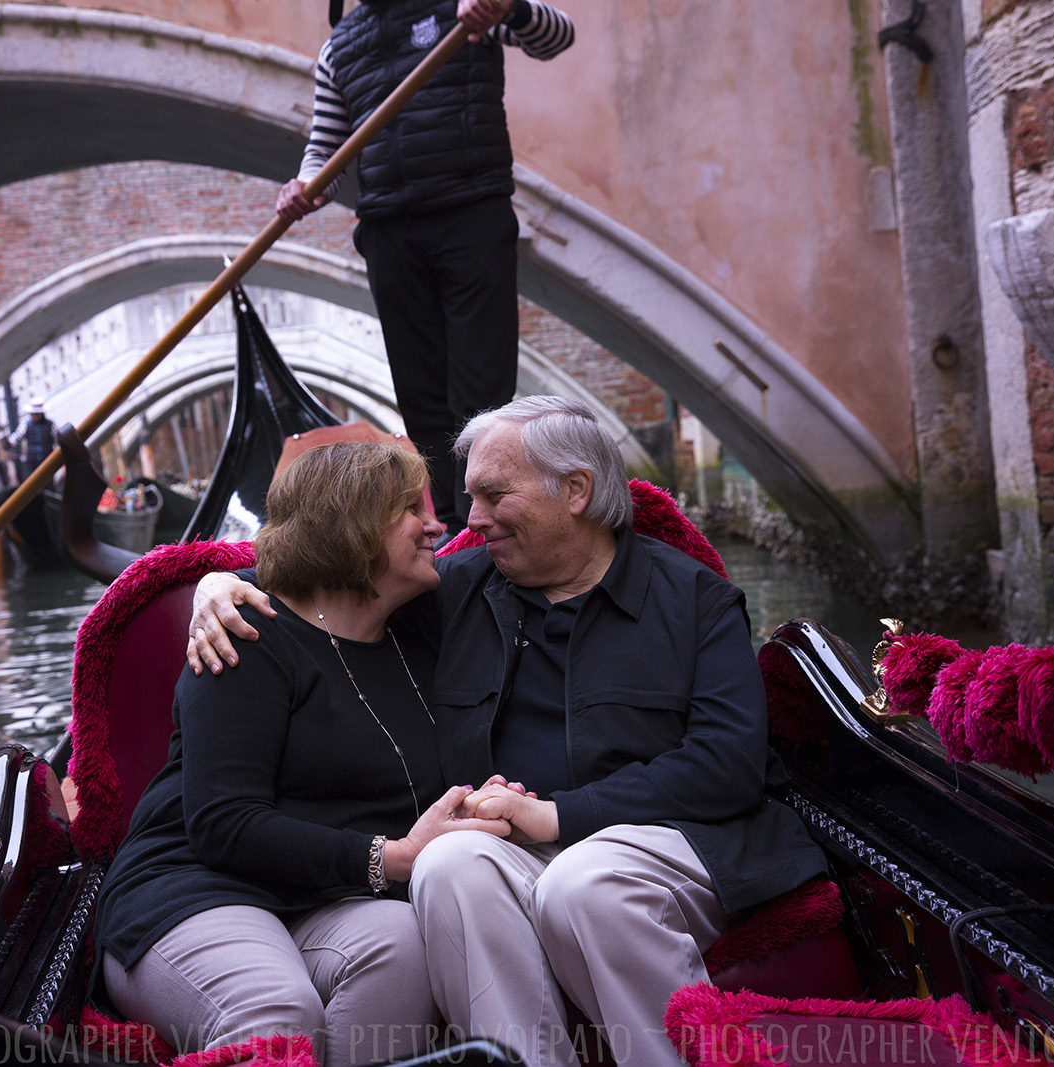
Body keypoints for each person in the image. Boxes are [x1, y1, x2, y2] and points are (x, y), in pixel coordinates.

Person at [187, 396, 829, 1067]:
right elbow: (331, 583)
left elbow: (728, 763)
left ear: (576, 490)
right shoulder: (455, 591)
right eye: (469, 497)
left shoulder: (694, 600)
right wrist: (220, 585)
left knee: (585, 880)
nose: (470, 522)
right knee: (447, 862)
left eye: (493, 495)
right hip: (521, 852)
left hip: (674, 845)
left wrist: (557, 814)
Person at [95, 442, 510, 1067]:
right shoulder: (247, 635)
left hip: (328, 896)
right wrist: (392, 857)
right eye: (409, 509)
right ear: (352, 525)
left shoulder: (423, 628)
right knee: (276, 1009)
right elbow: (220, 823)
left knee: (403, 946)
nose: (437, 525)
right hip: (197, 887)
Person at [277, 0, 574, 536]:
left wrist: (509, 9)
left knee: (479, 393)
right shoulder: (337, 49)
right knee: (421, 399)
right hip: (390, 231)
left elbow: (556, 38)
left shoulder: (469, 6)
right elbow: (327, 147)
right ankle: (459, 535)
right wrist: (305, 186)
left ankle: (488, 524)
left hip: (471, 214)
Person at [8, 400, 54, 480]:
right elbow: (17, 436)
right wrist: (10, 442)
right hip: (32, 461)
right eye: (33, 414)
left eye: (37, 414)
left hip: (47, 459)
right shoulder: (26, 425)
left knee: (47, 482)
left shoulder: (50, 425)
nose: (34, 416)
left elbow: (57, 440)